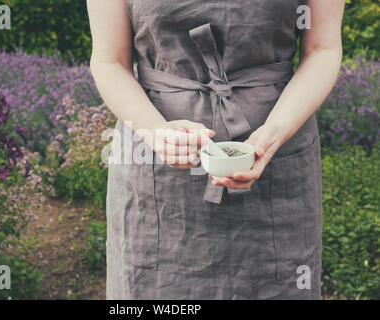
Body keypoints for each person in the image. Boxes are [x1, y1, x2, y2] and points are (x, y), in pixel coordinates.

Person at [87, 0, 345, 299]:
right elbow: (109, 60)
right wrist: (155, 132)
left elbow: (322, 49)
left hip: (279, 161)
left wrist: (272, 135)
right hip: (157, 170)